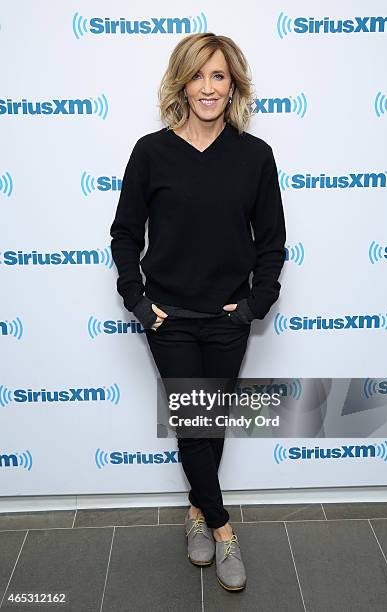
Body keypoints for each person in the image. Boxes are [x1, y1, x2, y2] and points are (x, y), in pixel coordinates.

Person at [109, 32, 286, 592]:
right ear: (181, 82)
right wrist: (139, 302)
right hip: (170, 318)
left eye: (219, 76)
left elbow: (273, 242)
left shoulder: (254, 156)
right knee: (193, 422)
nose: (208, 88)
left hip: (229, 317)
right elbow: (124, 234)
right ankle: (224, 527)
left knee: (210, 426)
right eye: (198, 75)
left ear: (232, 85)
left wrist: (255, 305)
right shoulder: (150, 151)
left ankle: (195, 514)